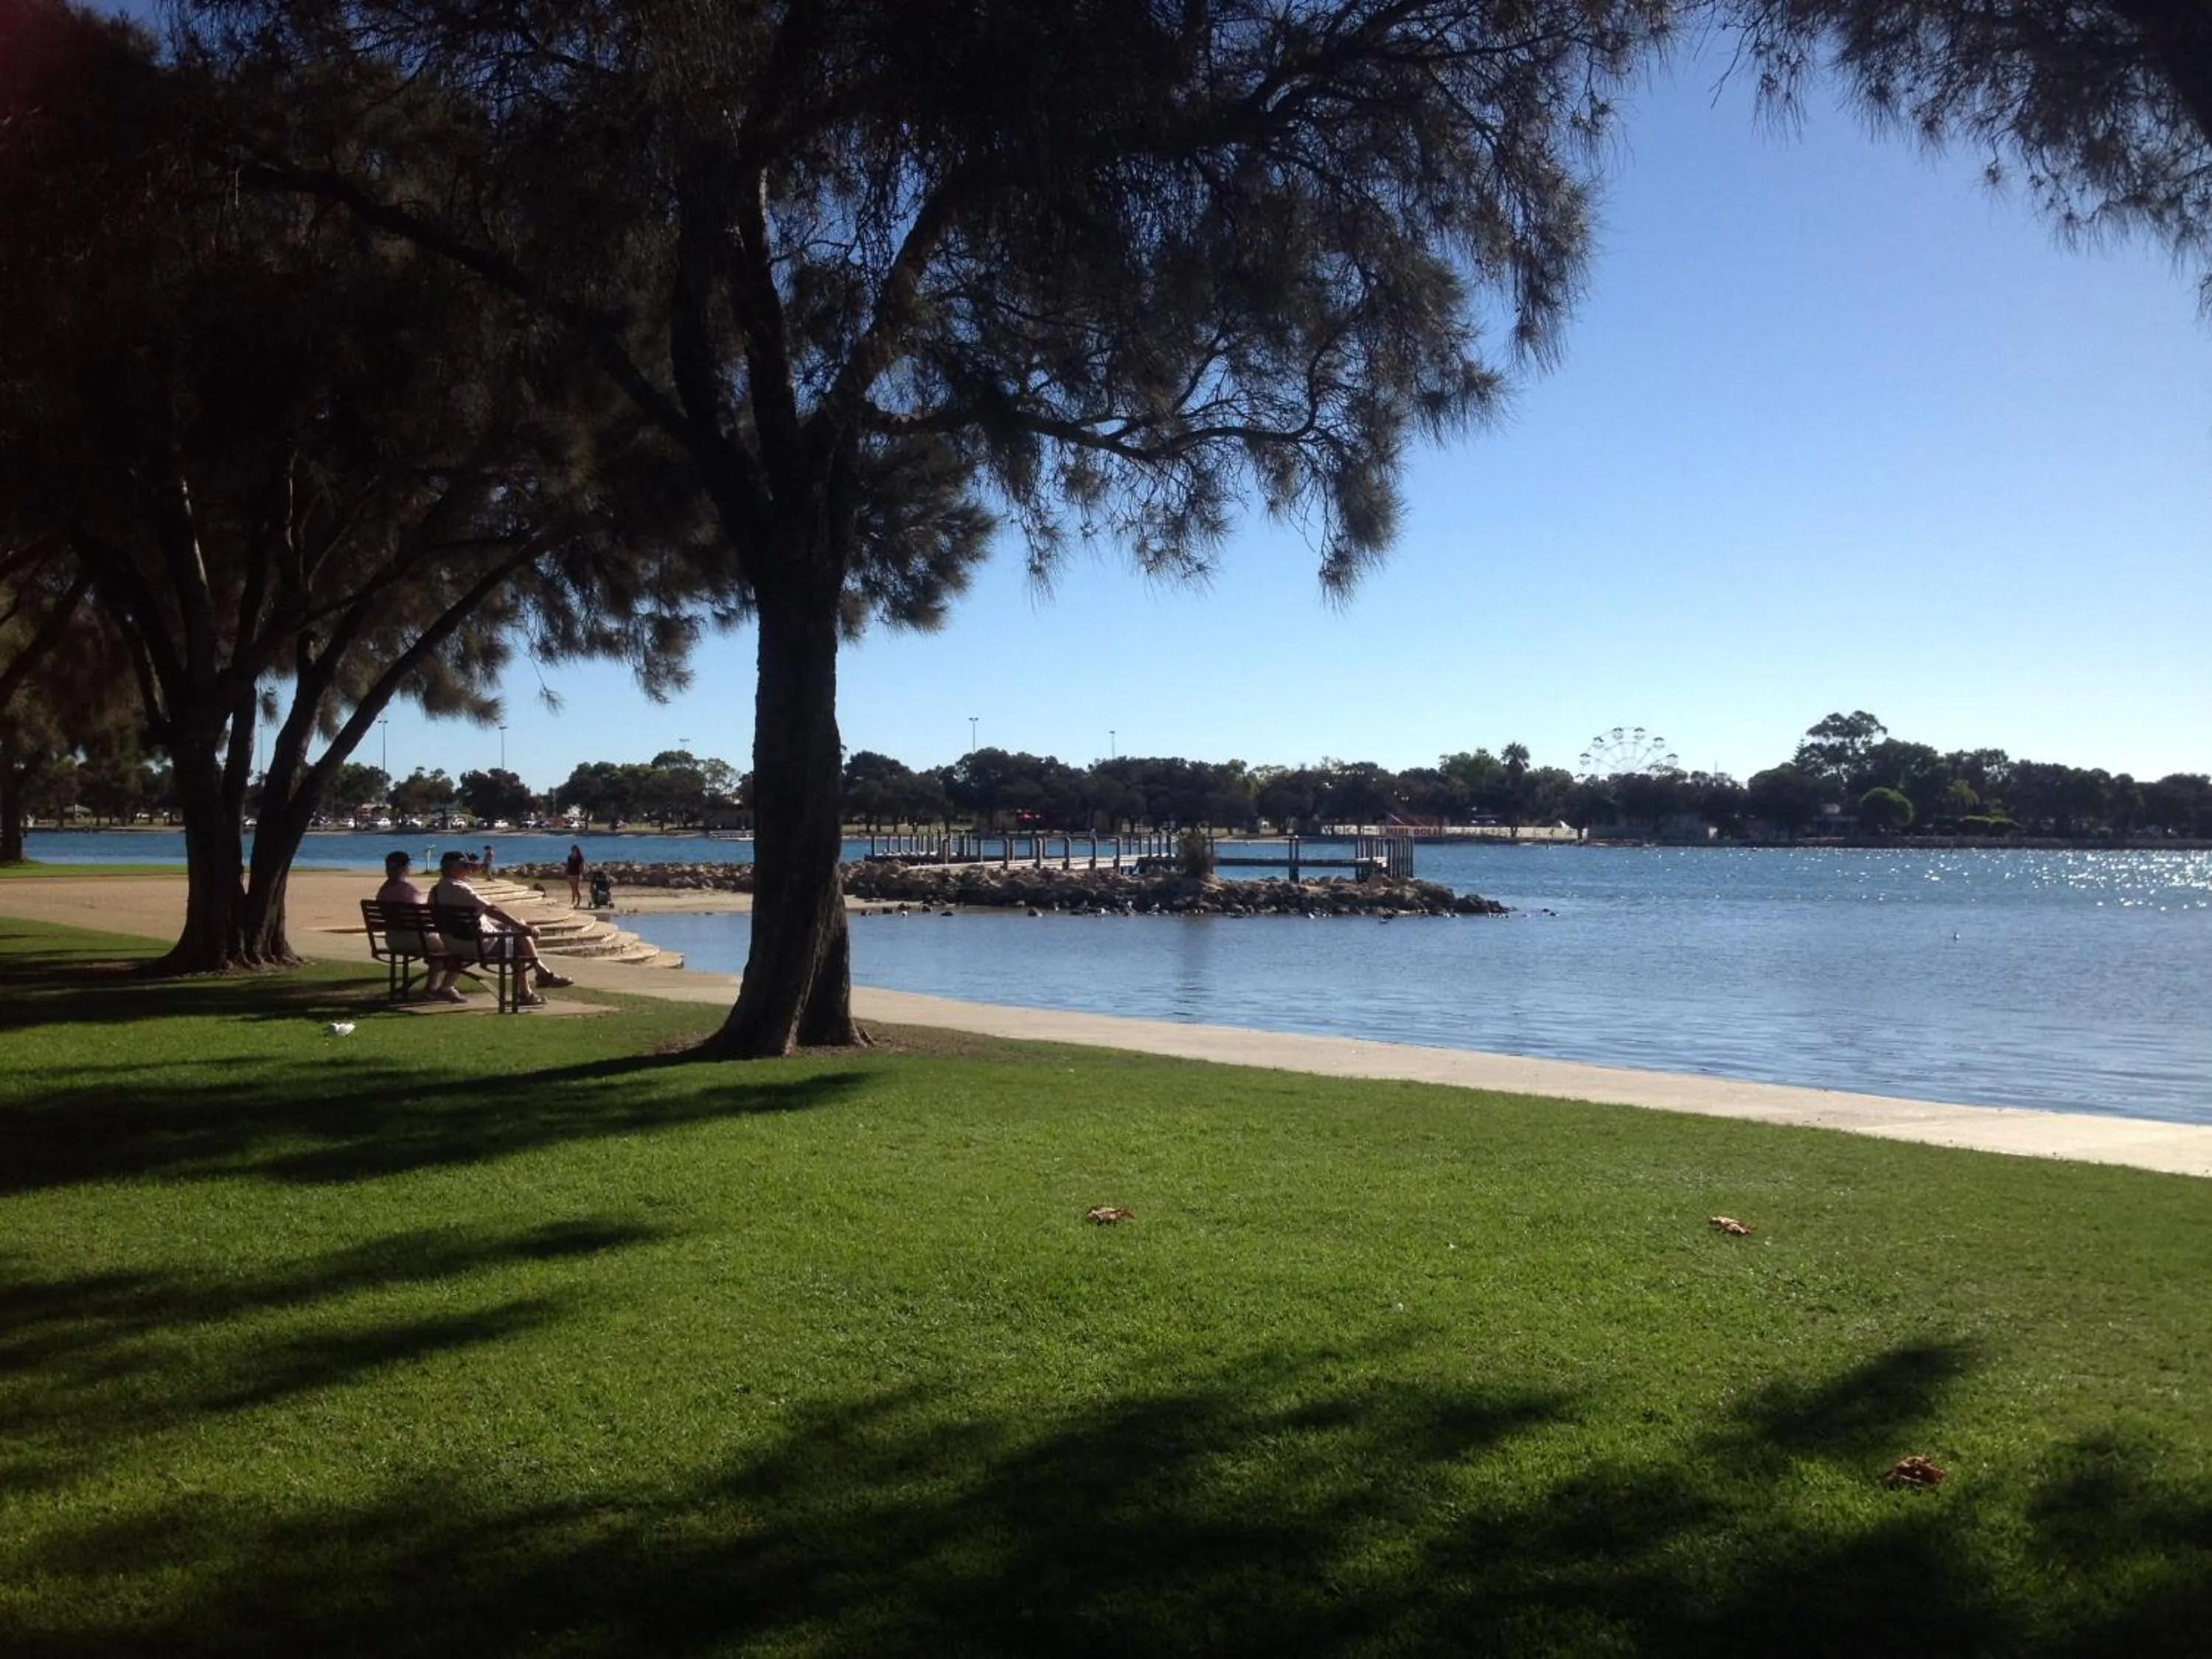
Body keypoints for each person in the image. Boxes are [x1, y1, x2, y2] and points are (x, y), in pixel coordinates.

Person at [429, 849, 574, 1006]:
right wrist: (520, 927)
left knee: (517, 928)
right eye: (465, 866)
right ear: (453, 868)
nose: (469, 870)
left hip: (452, 942)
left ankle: (540, 974)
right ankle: (533, 984)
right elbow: (492, 910)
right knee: (519, 937)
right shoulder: (459, 888)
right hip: (477, 944)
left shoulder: (435, 891)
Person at [375, 850, 465, 1004]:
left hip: (393, 939)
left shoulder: (383, 891)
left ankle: (434, 986)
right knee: (459, 947)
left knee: (438, 949)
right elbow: (426, 914)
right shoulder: (407, 890)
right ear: (405, 868)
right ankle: (442, 988)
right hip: (415, 939)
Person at [565, 843, 587, 908]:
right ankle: (573, 901)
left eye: (574, 850)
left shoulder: (580, 858)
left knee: (575, 889)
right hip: (570, 874)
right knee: (573, 889)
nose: (573, 851)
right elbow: (568, 865)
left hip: (576, 874)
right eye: (572, 850)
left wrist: (581, 873)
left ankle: (577, 901)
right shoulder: (569, 857)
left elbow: (582, 866)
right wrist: (566, 872)